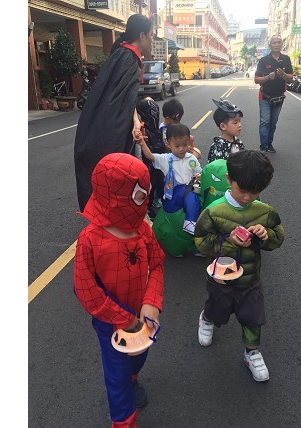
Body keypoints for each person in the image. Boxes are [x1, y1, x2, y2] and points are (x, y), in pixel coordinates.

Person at [73, 152, 165, 428]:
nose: (145, 202)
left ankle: (133, 376)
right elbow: (86, 290)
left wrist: (152, 302)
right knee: (116, 375)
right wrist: (124, 318)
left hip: (143, 316)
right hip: (109, 321)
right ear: (114, 195)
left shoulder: (143, 230)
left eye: (147, 193)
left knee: (139, 356)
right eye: (139, 196)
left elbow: (157, 263)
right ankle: (123, 422)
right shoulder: (90, 239)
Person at [194, 150, 285, 382]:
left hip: (250, 279)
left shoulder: (264, 211)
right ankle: (207, 318)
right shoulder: (214, 211)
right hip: (221, 278)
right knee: (218, 308)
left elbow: (278, 237)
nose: (247, 197)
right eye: (242, 190)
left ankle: (251, 352)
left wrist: (265, 235)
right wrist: (229, 241)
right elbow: (201, 242)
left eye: (254, 192)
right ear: (229, 179)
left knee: (253, 317)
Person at [74, 14, 154, 212]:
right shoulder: (129, 58)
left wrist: (134, 120)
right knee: (114, 171)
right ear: (142, 35)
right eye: (151, 35)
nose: (152, 40)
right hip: (110, 130)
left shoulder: (121, 53)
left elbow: (125, 99)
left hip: (97, 123)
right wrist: (131, 124)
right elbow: (120, 102)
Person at [136, 123, 202, 235]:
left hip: (188, 192)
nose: (181, 149)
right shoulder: (165, 159)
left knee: (193, 196)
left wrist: (198, 177)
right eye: (177, 146)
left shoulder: (191, 158)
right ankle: (190, 222)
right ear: (168, 144)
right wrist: (142, 143)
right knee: (190, 195)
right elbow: (150, 156)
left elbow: (199, 173)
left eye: (185, 145)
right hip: (173, 195)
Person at [254, 35, 293, 153]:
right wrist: (268, 77)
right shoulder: (263, 60)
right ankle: (263, 146)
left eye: (279, 42)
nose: (276, 44)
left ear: (282, 44)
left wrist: (283, 75)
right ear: (270, 45)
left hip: (279, 97)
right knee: (265, 121)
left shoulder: (286, 59)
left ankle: (269, 144)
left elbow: (290, 79)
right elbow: (256, 80)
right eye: (274, 42)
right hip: (264, 96)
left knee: (273, 122)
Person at [136, 96, 165, 218]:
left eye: (155, 112)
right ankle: (147, 209)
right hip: (147, 165)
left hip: (158, 163)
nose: (154, 116)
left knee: (160, 182)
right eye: (151, 113)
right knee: (149, 186)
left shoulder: (156, 129)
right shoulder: (140, 131)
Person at [207, 98, 245, 163]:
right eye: (235, 122)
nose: (239, 125)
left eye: (240, 121)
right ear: (223, 126)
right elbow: (215, 167)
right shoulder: (218, 147)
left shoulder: (238, 142)